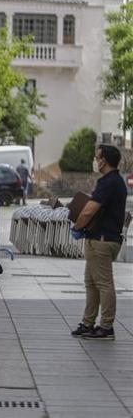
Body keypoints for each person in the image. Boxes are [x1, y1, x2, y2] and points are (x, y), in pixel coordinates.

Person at [70, 145, 126, 340]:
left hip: (102, 239)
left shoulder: (109, 183)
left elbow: (89, 210)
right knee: (91, 282)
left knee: (102, 283)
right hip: (102, 238)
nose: (95, 160)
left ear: (105, 161)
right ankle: (88, 323)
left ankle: (106, 326)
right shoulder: (115, 181)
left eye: (97, 157)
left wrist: (77, 227)